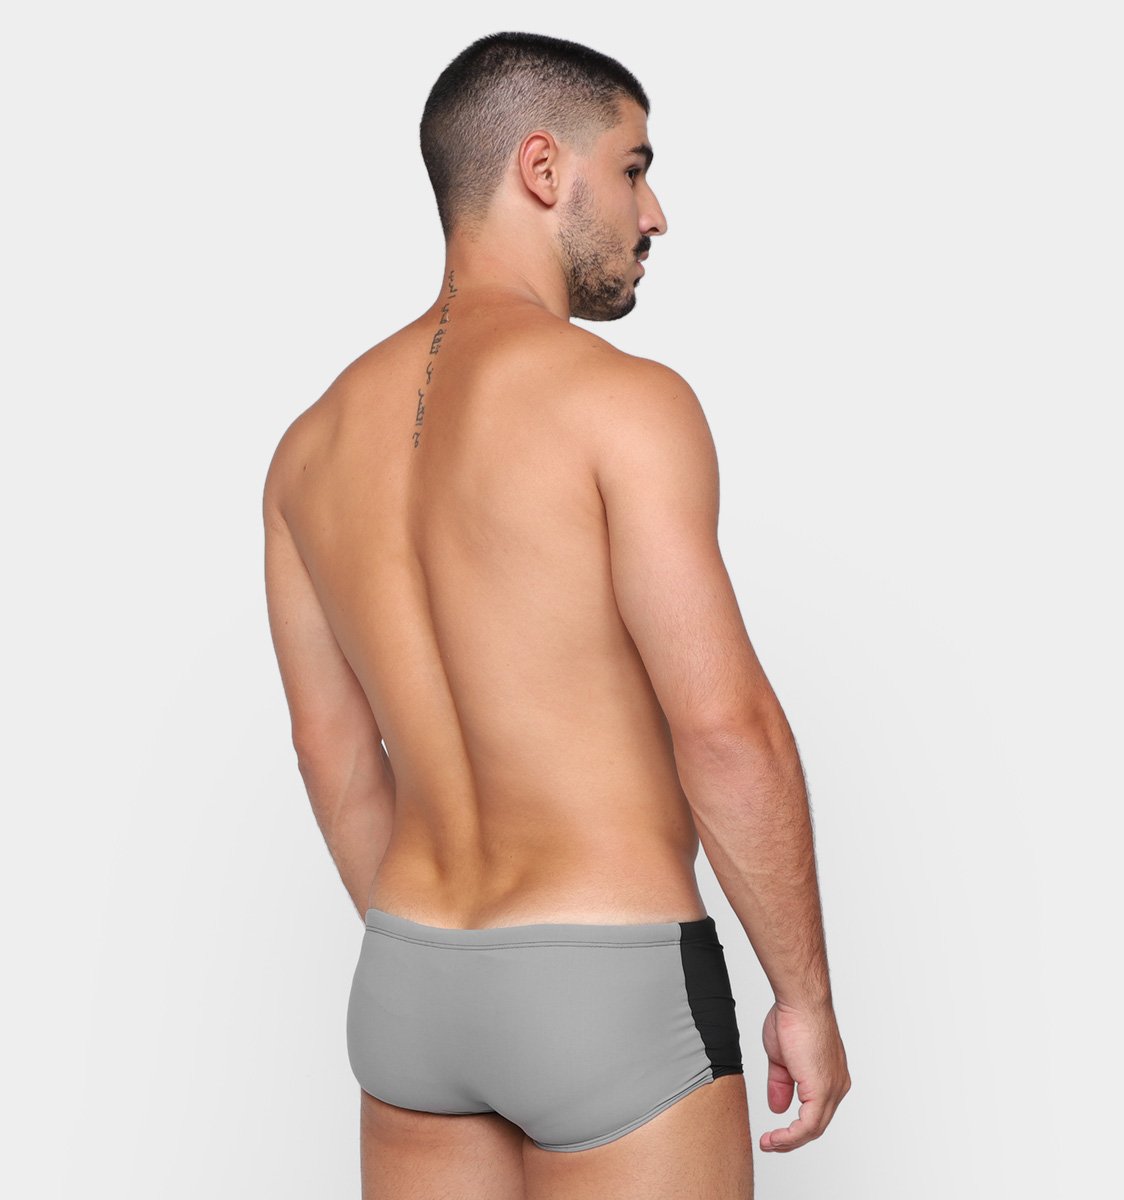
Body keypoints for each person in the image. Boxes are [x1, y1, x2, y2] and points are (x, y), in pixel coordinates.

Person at [263, 30, 850, 1200]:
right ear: (543, 169)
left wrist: (454, 963)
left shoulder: (309, 448)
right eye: (633, 168)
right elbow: (726, 729)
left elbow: (333, 754)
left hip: (411, 983)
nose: (655, 213)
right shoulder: (623, 404)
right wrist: (805, 996)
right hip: (609, 980)